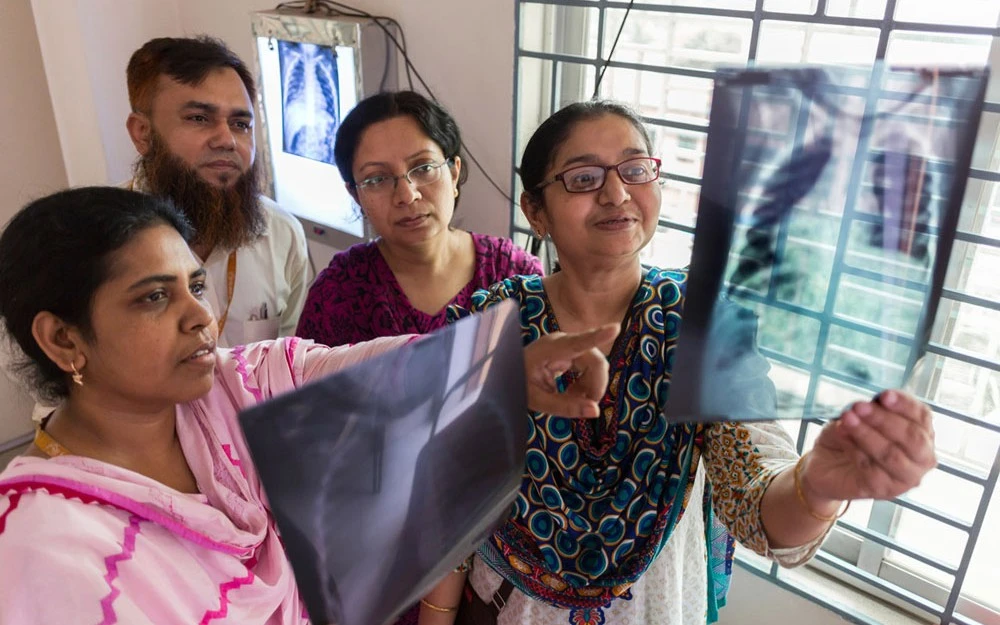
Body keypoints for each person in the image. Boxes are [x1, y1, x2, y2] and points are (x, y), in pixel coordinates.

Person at [0, 187, 615, 625]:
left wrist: (504, 367)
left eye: (194, 284)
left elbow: (372, 372)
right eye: (153, 298)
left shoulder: (230, 388)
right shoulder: (49, 550)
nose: (199, 315)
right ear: (63, 339)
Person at [441, 101, 938, 625]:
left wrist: (818, 484)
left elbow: (752, 499)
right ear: (535, 210)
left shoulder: (698, 327)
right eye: (583, 178)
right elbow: (442, 495)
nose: (616, 194)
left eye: (635, 170)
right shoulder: (490, 324)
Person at [295, 91, 542, 347]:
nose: (407, 195)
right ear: (356, 196)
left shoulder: (513, 274)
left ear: (454, 173)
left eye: (423, 168)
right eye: (377, 179)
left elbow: (557, 377)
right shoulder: (337, 294)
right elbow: (305, 380)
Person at [126, 36, 310, 347]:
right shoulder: (96, 247)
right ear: (143, 134)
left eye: (240, 124)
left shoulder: (281, 233)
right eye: (199, 118)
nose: (227, 140)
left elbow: (289, 364)